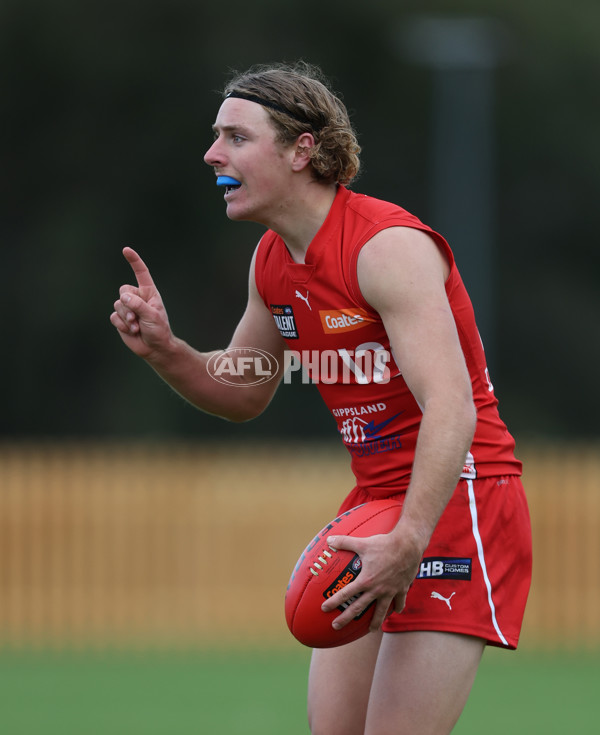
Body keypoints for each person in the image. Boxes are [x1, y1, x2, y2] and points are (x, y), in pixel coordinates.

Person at [110, 61, 532, 735]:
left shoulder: (386, 249)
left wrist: (411, 536)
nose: (212, 153)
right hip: (376, 505)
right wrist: (168, 351)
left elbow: (452, 405)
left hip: (458, 500)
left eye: (236, 137)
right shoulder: (272, 261)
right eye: (216, 136)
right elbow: (245, 391)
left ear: (302, 149)